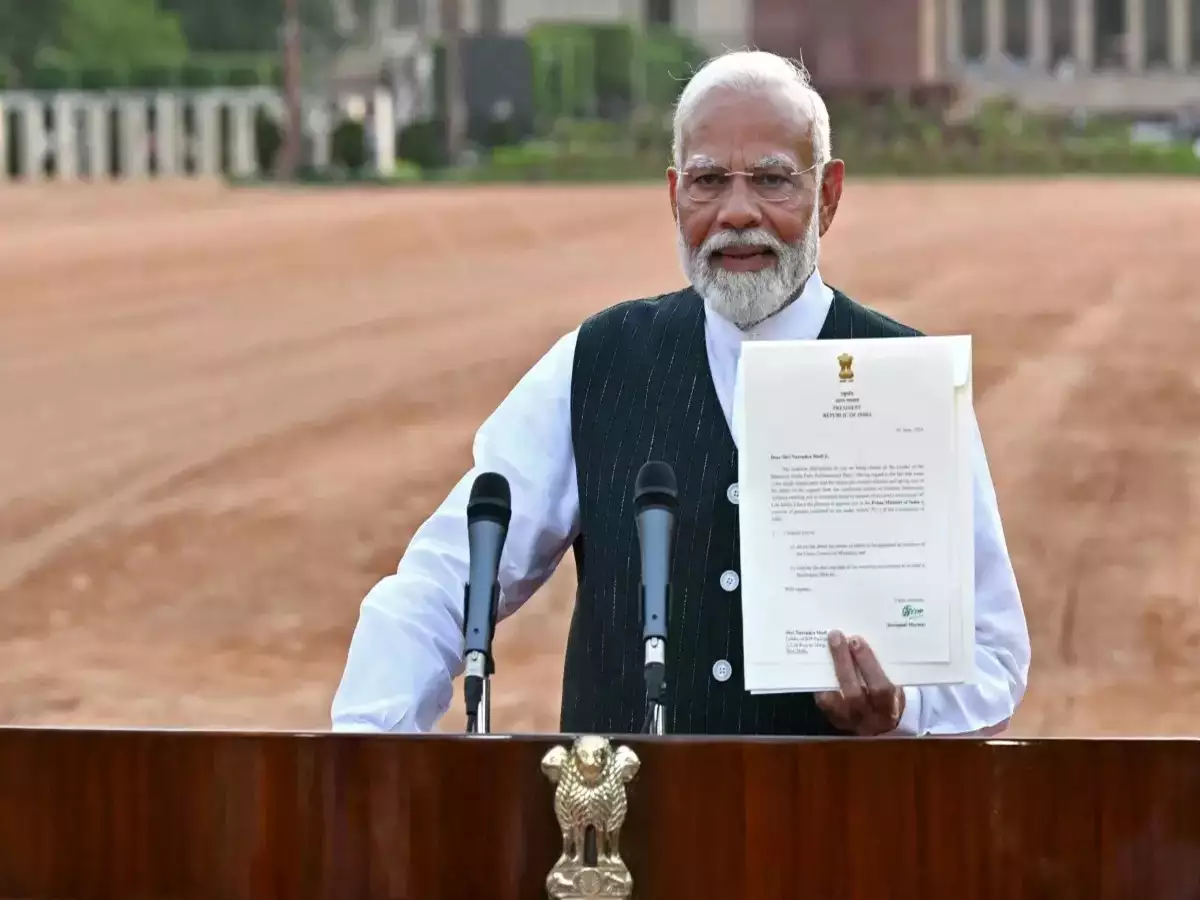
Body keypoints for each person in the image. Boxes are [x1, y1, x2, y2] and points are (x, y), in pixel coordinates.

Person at [330, 50, 1031, 738]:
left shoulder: (906, 382)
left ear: (829, 195)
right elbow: (447, 578)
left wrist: (906, 708)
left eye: (772, 180)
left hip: (834, 834)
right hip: (625, 839)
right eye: (707, 182)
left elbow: (993, 661)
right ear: (673, 195)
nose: (736, 212)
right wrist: (365, 747)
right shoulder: (597, 363)